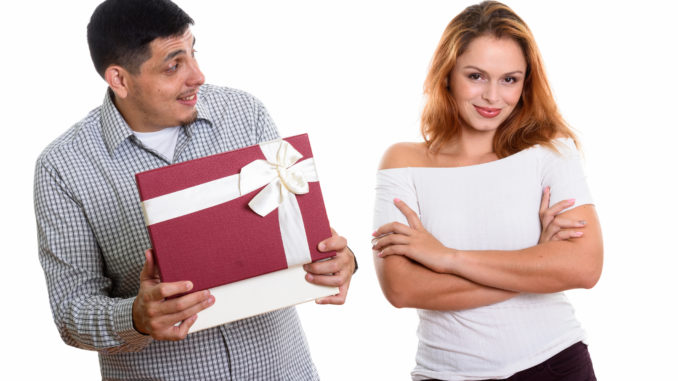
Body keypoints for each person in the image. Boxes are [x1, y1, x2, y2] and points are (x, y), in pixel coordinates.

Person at [33, 0, 355, 379]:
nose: (197, 75)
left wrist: (341, 260)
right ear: (119, 79)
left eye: (193, 52)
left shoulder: (243, 113)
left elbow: (295, 232)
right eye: (174, 65)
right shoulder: (63, 167)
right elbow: (71, 311)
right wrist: (134, 316)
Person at [372, 1, 602, 380]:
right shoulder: (403, 162)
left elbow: (584, 266)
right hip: (443, 373)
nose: (493, 97)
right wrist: (536, 264)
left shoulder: (549, 152)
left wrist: (447, 257)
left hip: (553, 364)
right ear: (447, 74)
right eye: (476, 76)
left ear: (526, 82)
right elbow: (401, 288)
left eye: (509, 79)